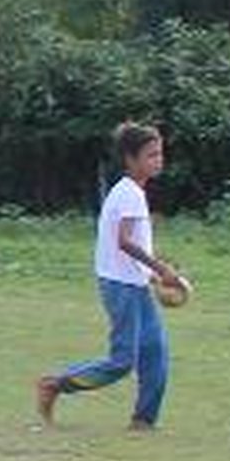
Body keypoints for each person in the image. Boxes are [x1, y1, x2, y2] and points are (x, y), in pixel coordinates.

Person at [36, 122, 184, 429]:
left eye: (160, 154)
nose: (158, 160)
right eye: (151, 155)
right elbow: (124, 241)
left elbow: (129, 247)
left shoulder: (132, 192)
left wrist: (154, 277)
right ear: (131, 160)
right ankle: (54, 384)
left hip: (134, 284)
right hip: (121, 287)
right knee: (121, 362)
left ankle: (143, 422)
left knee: (155, 353)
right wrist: (161, 269)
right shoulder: (129, 193)